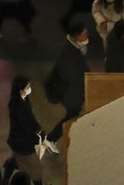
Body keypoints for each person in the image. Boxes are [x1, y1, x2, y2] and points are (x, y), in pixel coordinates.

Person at [42, 21, 89, 153]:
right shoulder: (70, 54)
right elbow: (72, 77)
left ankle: (53, 138)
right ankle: (51, 138)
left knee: (73, 113)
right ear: (77, 36)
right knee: (72, 113)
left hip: (70, 89)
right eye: (85, 34)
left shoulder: (74, 47)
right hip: (68, 91)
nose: (87, 36)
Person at [6, 77, 45, 176]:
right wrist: (36, 138)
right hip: (22, 142)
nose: (29, 88)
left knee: (20, 160)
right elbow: (24, 126)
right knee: (35, 169)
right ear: (20, 90)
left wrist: (37, 126)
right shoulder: (16, 106)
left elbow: (30, 115)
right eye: (27, 87)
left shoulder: (24, 99)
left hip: (23, 141)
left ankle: (9, 169)